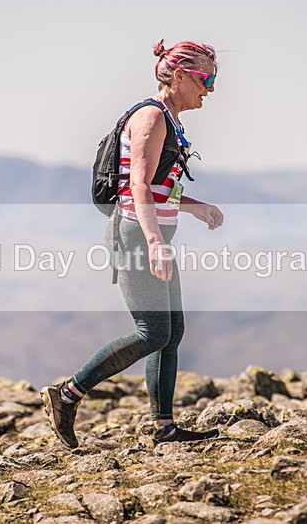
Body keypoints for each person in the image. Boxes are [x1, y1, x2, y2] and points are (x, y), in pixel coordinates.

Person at [42, 39, 224, 448]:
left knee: (172, 331)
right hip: (137, 236)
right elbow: (137, 186)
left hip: (154, 234)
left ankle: (165, 429)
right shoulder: (151, 117)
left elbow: (157, 187)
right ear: (180, 76)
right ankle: (67, 394)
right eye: (206, 79)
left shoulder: (171, 119)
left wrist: (194, 206)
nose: (210, 89)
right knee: (153, 331)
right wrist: (155, 241)